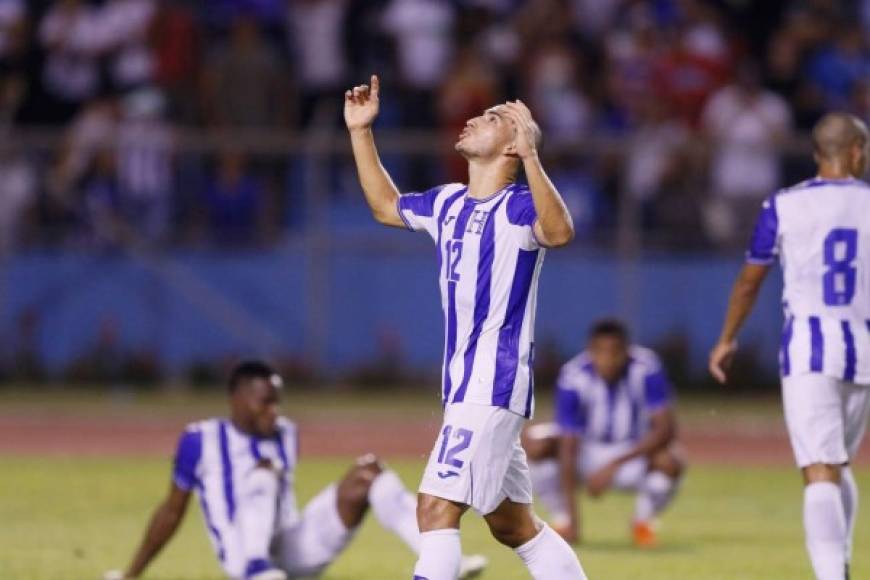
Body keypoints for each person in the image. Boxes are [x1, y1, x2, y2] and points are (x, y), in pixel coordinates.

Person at [345, 75, 586, 580]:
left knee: (434, 506)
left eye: (493, 118)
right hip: (465, 388)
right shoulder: (448, 202)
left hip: (492, 385)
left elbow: (560, 231)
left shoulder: (520, 207)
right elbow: (386, 207)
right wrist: (361, 132)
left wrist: (534, 158)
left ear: (512, 147)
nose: (475, 117)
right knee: (513, 525)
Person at [104, 361, 487, 580]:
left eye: (277, 403)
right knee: (264, 473)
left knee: (370, 470)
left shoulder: (285, 432)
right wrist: (131, 572)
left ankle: (439, 562)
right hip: (242, 552)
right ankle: (258, 570)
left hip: (288, 544)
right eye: (264, 403)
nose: (274, 411)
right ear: (236, 400)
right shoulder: (199, 440)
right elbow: (173, 510)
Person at [709, 112, 870, 580]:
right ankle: (838, 564)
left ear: (819, 153)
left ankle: (830, 575)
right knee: (836, 463)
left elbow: (749, 280)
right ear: (856, 150)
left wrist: (727, 338)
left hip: (809, 348)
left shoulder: (783, 205)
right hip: (862, 346)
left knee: (820, 467)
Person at [523, 319, 684, 548]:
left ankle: (642, 523)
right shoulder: (573, 375)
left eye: (615, 352)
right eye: (601, 352)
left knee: (671, 462)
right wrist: (574, 519)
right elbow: (568, 445)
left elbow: (666, 430)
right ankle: (563, 521)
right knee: (534, 444)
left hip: (632, 451)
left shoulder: (646, 367)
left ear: (627, 350)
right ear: (590, 351)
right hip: (586, 451)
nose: (608, 360)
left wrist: (613, 466)